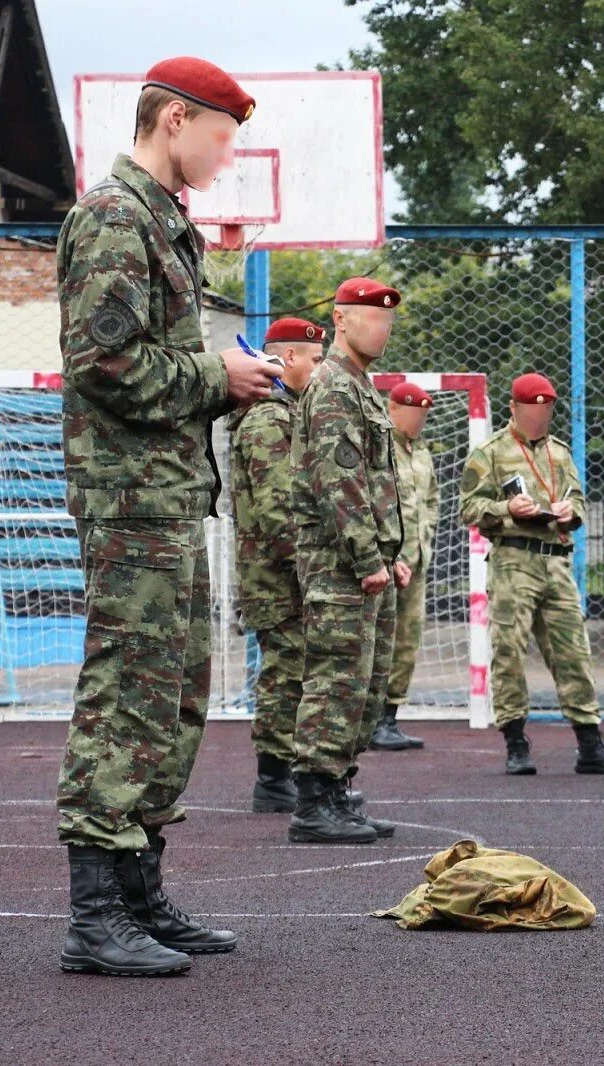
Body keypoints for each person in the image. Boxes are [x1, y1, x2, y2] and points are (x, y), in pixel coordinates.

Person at [55, 57, 273, 976]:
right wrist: (213, 376)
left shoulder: (164, 224)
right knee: (127, 693)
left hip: (171, 495)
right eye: (222, 134)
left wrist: (230, 388)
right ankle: (95, 916)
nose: (227, 154)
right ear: (174, 118)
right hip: (131, 500)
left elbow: (157, 371)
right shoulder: (114, 216)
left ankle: (139, 897)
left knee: (175, 694)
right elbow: (102, 366)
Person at [457, 372, 604, 776]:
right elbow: (469, 507)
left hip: (557, 560)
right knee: (509, 652)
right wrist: (505, 510)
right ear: (514, 409)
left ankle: (590, 746)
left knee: (573, 651)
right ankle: (516, 744)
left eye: (546, 410)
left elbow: (579, 500)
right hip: (513, 560)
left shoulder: (560, 452)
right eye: (532, 410)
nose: (539, 417)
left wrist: (572, 514)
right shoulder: (490, 452)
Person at [288, 277, 410, 843]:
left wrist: (391, 555)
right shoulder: (334, 388)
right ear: (341, 320)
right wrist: (366, 558)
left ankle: (337, 790)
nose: (383, 327)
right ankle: (312, 805)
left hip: (366, 562)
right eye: (371, 317)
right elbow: (341, 485)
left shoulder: (360, 386)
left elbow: (373, 484)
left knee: (363, 683)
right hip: (340, 565)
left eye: (387, 319)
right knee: (336, 679)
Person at [228, 317, 326, 811]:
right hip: (277, 574)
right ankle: (273, 779)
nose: (319, 366)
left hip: (283, 570)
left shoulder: (286, 413)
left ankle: (284, 774)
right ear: (288, 358)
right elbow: (277, 508)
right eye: (313, 358)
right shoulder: (270, 418)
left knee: (296, 669)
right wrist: (312, 565)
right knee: (287, 671)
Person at [370, 382, 437, 751]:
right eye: (414, 413)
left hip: (416, 561)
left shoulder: (421, 451)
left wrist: (422, 543)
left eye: (424, 416)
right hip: (385, 563)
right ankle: (368, 718)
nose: (419, 421)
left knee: (408, 641)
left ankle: (389, 718)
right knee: (380, 642)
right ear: (393, 409)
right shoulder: (379, 445)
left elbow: (431, 501)